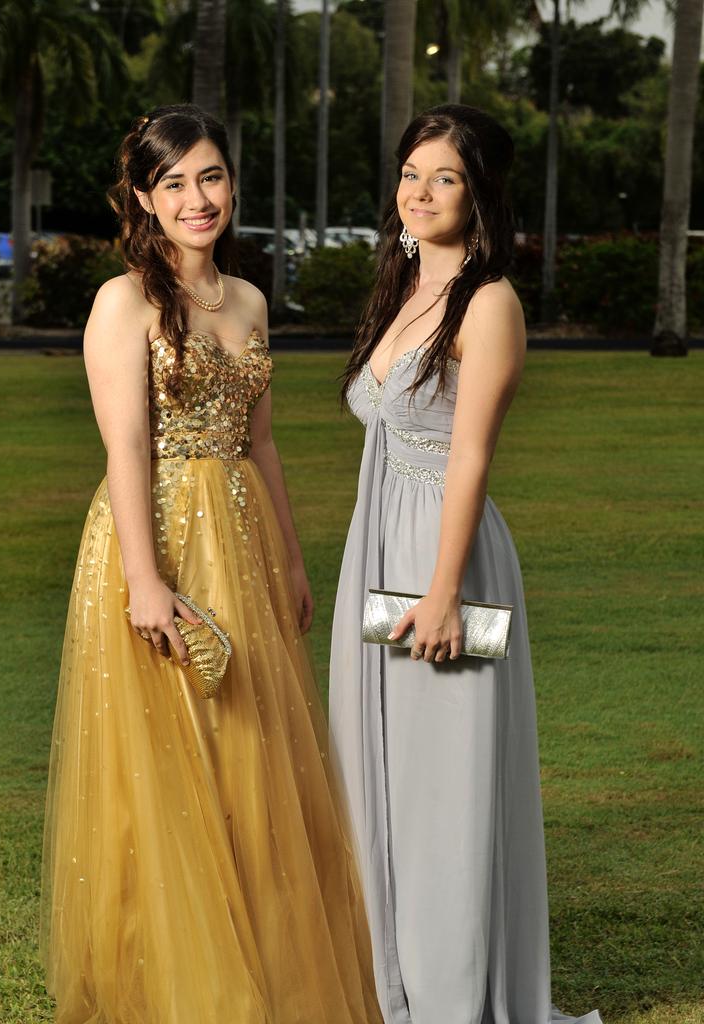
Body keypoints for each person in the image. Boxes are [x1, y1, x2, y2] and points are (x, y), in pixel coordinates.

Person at [41, 104, 382, 1024]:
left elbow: (262, 444)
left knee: (252, 752)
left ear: (231, 184)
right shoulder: (124, 303)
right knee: (171, 761)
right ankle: (169, 980)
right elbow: (125, 452)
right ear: (145, 199)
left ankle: (264, 966)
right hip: (154, 540)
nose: (199, 198)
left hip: (243, 543)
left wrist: (293, 559)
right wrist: (146, 583)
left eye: (213, 176)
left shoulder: (250, 301)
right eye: (176, 182)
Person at [329, 104, 603, 1024]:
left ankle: (450, 996)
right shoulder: (403, 290)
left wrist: (443, 595)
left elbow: (471, 458)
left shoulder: (490, 303)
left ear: (479, 193)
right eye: (411, 173)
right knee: (379, 767)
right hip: (376, 550)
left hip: (450, 563)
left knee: (444, 778)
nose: (420, 192)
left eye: (444, 177)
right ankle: (388, 979)